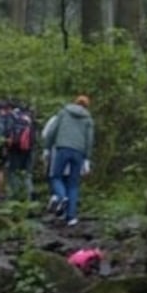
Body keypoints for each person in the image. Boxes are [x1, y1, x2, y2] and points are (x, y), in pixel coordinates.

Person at [43, 94, 94, 226]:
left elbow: (52, 131)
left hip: (63, 148)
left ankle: (61, 197)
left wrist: (47, 148)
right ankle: (71, 217)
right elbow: (89, 140)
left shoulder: (64, 112)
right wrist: (87, 159)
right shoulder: (88, 119)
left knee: (56, 176)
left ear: (75, 102)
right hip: (79, 152)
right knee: (73, 184)